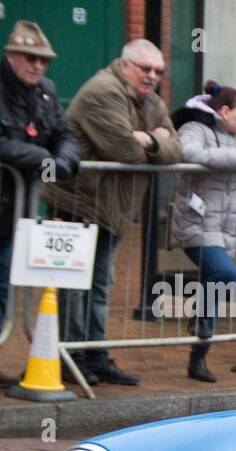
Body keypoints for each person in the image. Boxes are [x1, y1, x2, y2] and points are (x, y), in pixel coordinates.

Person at [41, 39, 180, 386]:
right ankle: (71, 357)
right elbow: (126, 151)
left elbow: (176, 149)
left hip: (112, 208)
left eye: (158, 71)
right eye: (145, 69)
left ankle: (95, 354)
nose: (152, 76)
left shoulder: (150, 101)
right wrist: (154, 139)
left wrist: (146, 139)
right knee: (76, 285)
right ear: (124, 65)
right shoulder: (103, 91)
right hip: (79, 205)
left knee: (100, 284)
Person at [169, 80, 236, 383]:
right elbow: (191, 154)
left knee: (215, 284)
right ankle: (198, 327)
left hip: (224, 228)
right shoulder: (195, 128)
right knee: (225, 274)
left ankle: (198, 356)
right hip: (195, 224)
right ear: (225, 111)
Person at [0, 20, 77, 387]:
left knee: (3, 286)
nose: (38, 66)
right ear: (11, 54)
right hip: (5, 200)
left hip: (16, 210)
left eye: (43, 60)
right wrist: (43, 158)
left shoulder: (46, 92)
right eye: (30, 58)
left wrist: (61, 160)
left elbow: (65, 135)